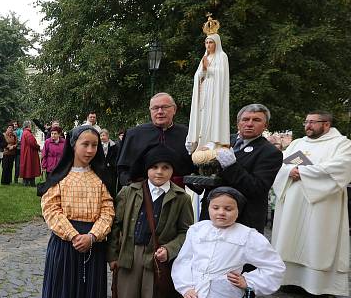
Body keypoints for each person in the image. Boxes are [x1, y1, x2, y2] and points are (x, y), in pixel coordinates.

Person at [107, 144, 193, 298]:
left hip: (156, 261)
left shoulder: (180, 197)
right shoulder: (129, 192)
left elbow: (187, 232)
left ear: (171, 170)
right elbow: (115, 225)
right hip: (128, 256)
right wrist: (113, 256)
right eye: (154, 167)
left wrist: (170, 249)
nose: (159, 172)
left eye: (165, 168)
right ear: (147, 169)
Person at [38, 125, 114, 298]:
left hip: (93, 243)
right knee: (65, 293)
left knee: (88, 295)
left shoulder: (102, 178)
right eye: (85, 144)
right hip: (65, 243)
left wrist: (92, 236)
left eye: (94, 145)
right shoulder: (61, 176)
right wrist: (72, 235)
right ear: (74, 145)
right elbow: (51, 209)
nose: (90, 150)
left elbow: (108, 211)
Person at [271, 111, 351, 298]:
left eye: (313, 122)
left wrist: (303, 172)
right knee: (289, 236)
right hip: (292, 200)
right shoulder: (298, 143)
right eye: (306, 122)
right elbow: (279, 163)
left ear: (326, 124)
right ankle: (289, 280)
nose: (308, 125)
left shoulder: (342, 144)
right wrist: (289, 170)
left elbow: (341, 167)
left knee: (318, 241)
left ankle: (319, 288)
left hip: (322, 204)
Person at [197, 104, 282, 233]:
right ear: (238, 123)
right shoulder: (222, 141)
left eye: (256, 120)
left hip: (243, 218)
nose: (249, 124)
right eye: (245, 119)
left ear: (265, 126)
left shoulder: (270, 152)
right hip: (212, 213)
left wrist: (231, 166)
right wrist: (197, 158)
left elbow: (257, 188)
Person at [117, 93, 193, 187]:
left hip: (178, 195)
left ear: (174, 109)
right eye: (155, 108)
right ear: (150, 111)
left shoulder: (188, 134)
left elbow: (193, 169)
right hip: (142, 194)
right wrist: (133, 187)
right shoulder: (134, 134)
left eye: (165, 107)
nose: (160, 111)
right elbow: (123, 169)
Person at [186, 18, 230, 152]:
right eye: (206, 42)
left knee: (213, 113)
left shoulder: (222, 56)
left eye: (211, 42)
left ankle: (213, 140)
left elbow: (222, 75)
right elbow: (197, 75)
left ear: (216, 43)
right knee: (203, 114)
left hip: (215, 92)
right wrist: (202, 72)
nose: (208, 45)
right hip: (204, 90)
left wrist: (208, 70)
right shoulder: (205, 58)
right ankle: (201, 140)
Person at [19, 121, 41, 186]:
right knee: (30, 167)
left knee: (27, 167)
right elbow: (33, 143)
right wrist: (38, 146)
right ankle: (31, 183)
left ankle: (26, 182)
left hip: (26, 152)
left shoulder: (24, 132)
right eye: (30, 125)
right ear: (28, 125)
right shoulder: (28, 133)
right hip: (29, 153)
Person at [100, 129, 119, 198]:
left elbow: (116, 157)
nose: (102, 137)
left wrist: (110, 163)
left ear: (108, 136)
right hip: (102, 169)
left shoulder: (114, 146)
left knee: (111, 186)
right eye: (101, 136)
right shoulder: (98, 146)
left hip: (111, 170)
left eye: (104, 135)